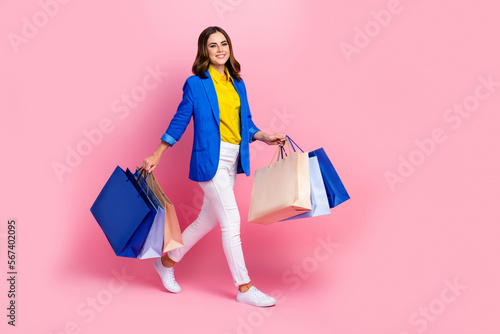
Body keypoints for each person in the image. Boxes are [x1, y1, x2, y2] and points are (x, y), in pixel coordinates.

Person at [142, 26, 285, 307]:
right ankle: (244, 287)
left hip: (233, 160)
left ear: (230, 48)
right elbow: (180, 119)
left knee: (207, 219)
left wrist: (264, 136)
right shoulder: (196, 83)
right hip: (211, 160)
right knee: (231, 221)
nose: (220, 50)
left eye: (224, 44)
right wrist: (158, 152)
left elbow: (246, 123)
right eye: (213, 46)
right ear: (204, 51)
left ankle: (166, 262)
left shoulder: (237, 83)